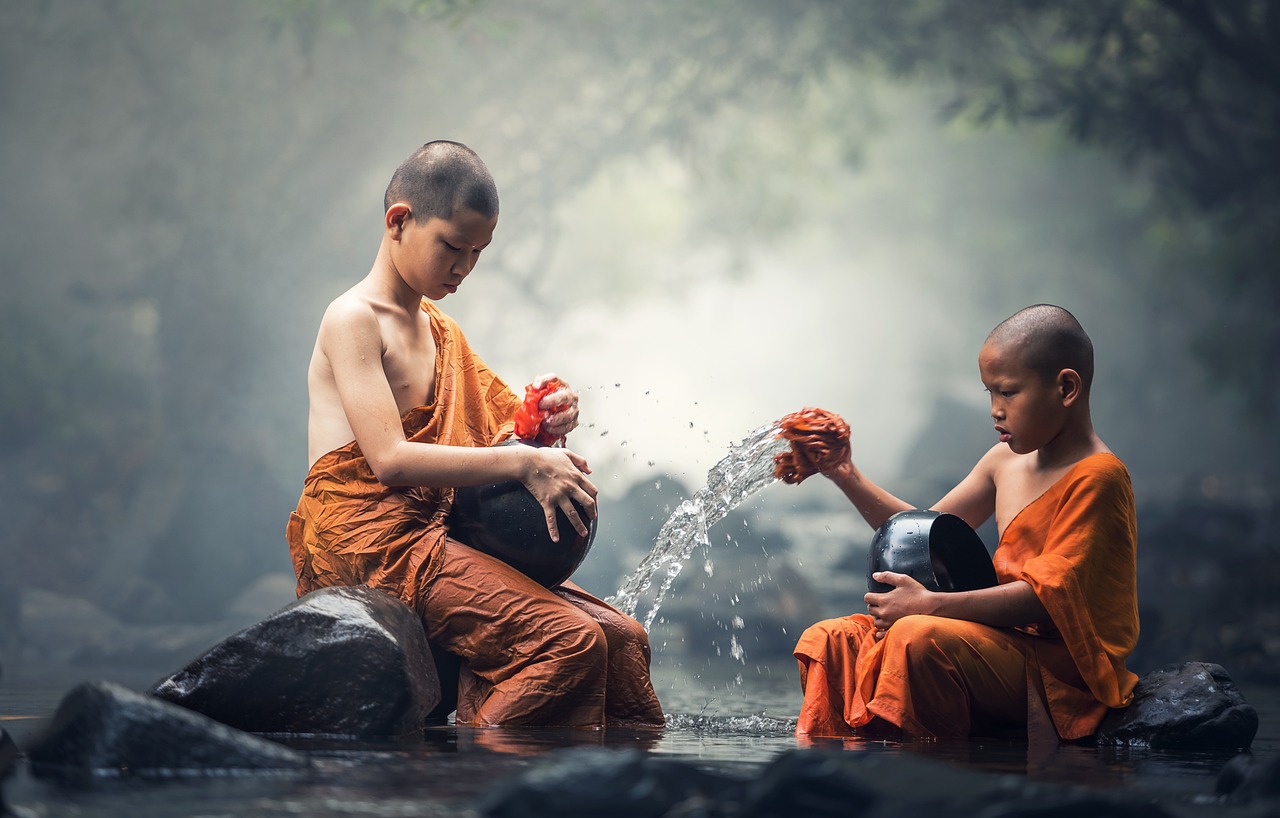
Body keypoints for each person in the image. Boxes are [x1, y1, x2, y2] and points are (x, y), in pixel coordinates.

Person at [286, 140, 663, 728]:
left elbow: (506, 430)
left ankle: (620, 789)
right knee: (570, 645)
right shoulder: (352, 319)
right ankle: (473, 775)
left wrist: (546, 418)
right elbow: (389, 460)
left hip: (438, 536)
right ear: (399, 221)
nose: (463, 267)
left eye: (478, 253)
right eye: (452, 247)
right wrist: (523, 465)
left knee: (621, 639)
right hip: (374, 547)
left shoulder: (440, 329)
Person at [791, 304, 1139, 741]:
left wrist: (929, 605)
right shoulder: (1003, 462)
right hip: (996, 639)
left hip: (1057, 669)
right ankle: (840, 775)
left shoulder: (1099, 477)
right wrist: (845, 474)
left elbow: (1045, 599)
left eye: (1008, 393)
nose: (995, 410)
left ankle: (922, 773)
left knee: (916, 637)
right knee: (831, 639)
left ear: (1066, 388)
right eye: (989, 393)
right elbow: (918, 536)